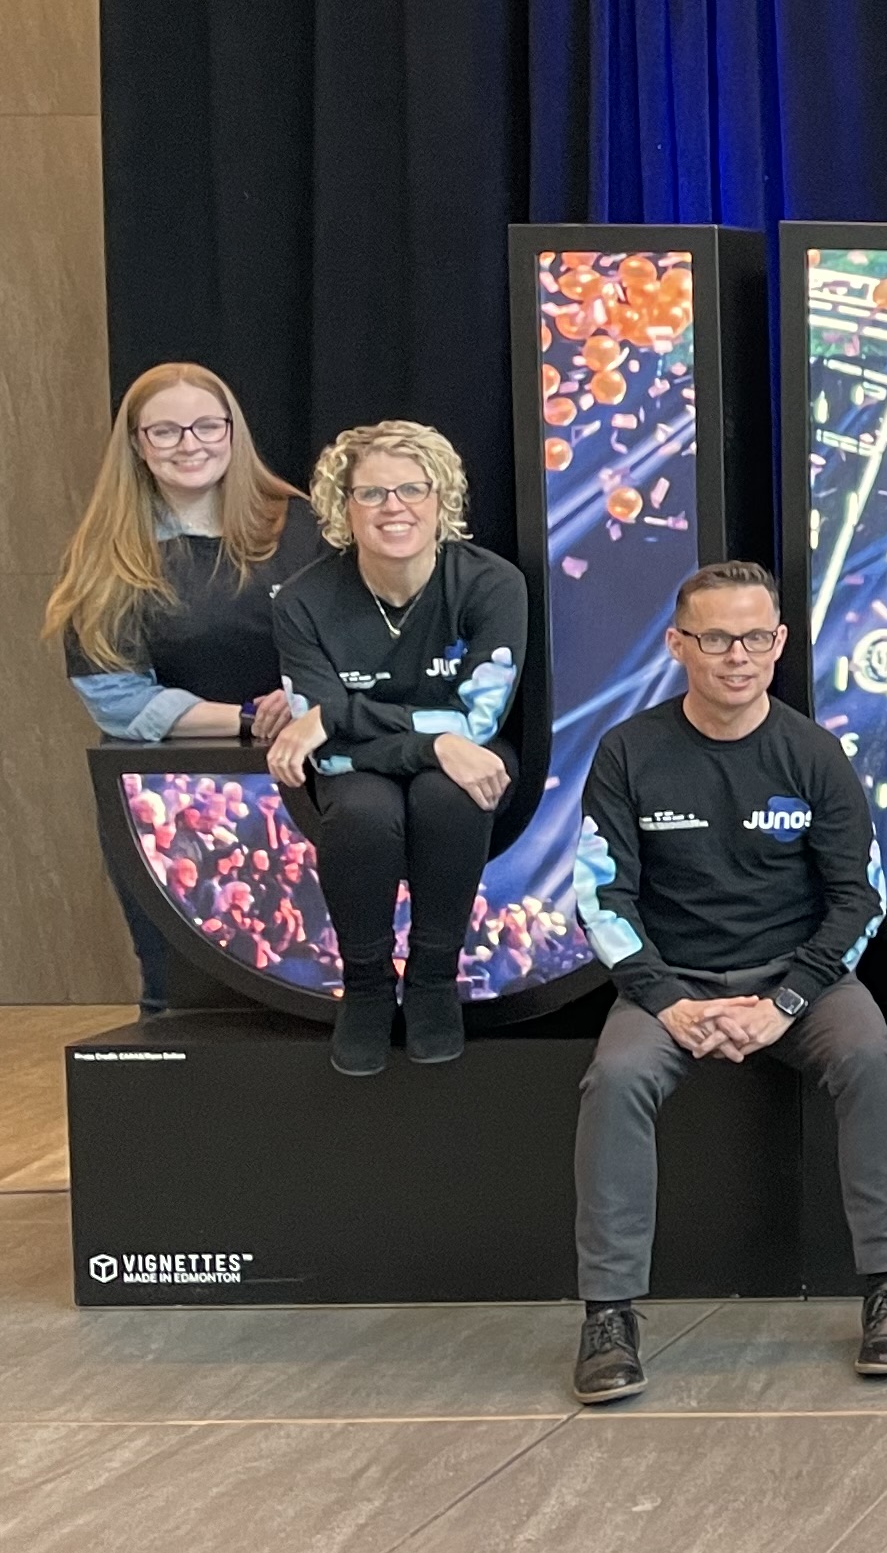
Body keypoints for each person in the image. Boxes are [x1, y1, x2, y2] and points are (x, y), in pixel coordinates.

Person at [563, 562, 887, 1404]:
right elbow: (599, 894)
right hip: (671, 983)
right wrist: (667, 1000)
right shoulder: (628, 751)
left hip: (799, 982)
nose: (737, 656)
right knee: (615, 1079)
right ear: (678, 645)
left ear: (780, 644)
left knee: (873, 1057)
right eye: (716, 638)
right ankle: (608, 1315)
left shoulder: (813, 752)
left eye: (755, 638)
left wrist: (785, 1002)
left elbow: (858, 899)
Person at [41, 363, 324, 1010]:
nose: (188, 444)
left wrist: (306, 703)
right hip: (167, 791)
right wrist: (248, 718)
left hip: (312, 776)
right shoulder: (103, 551)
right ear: (137, 444)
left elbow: (361, 646)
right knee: (184, 992)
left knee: (306, 975)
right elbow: (113, 694)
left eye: (205, 425)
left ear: (233, 431)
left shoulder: (304, 527)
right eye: (164, 431)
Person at [266, 421, 527, 1078]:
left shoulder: (493, 585)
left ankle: (435, 977)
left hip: (461, 761)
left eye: (412, 489)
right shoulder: (302, 600)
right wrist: (435, 739)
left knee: (452, 792)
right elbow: (319, 743)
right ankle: (369, 984)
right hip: (360, 773)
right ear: (341, 506)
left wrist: (343, 717)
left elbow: (481, 717)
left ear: (442, 500)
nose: (394, 507)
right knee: (360, 810)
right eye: (372, 493)